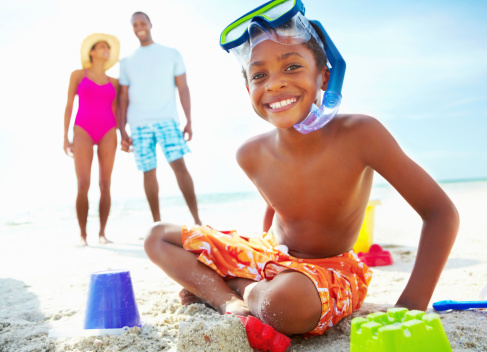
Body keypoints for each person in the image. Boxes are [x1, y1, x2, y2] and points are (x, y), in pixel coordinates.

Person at [143, 0, 459, 337]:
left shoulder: (361, 135)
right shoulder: (250, 154)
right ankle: (227, 301)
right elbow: (278, 210)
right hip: (269, 258)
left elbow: (440, 213)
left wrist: (410, 307)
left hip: (329, 271)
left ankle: (239, 286)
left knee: (286, 305)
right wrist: (257, 261)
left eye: (291, 67)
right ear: (247, 88)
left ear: (325, 75)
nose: (274, 83)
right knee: (158, 237)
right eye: (259, 74)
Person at [119, 12, 202, 225]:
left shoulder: (171, 53)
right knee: (148, 172)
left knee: (180, 167)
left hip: (167, 120)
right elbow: (123, 98)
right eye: (135, 24)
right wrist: (122, 131)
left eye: (142, 22)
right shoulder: (127, 61)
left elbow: (183, 88)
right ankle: (157, 224)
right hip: (139, 124)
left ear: (150, 24)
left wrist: (189, 120)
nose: (139, 27)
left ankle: (197, 221)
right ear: (132, 28)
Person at [64, 33, 120, 246]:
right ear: (92, 51)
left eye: (108, 47)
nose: (106, 49)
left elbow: (117, 111)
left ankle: (102, 233)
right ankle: (82, 235)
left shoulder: (114, 82)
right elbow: (69, 105)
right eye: (102, 46)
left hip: (108, 131)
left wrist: (122, 135)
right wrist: (65, 136)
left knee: (105, 184)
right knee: (83, 184)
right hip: (82, 130)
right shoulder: (78, 75)